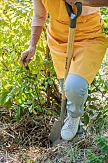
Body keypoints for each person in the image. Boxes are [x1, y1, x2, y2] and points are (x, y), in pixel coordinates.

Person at [20, 0, 108, 141]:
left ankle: (74, 117)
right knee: (66, 89)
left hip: (89, 37)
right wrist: (32, 46)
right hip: (59, 41)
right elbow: (39, 16)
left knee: (74, 86)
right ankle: (74, 135)